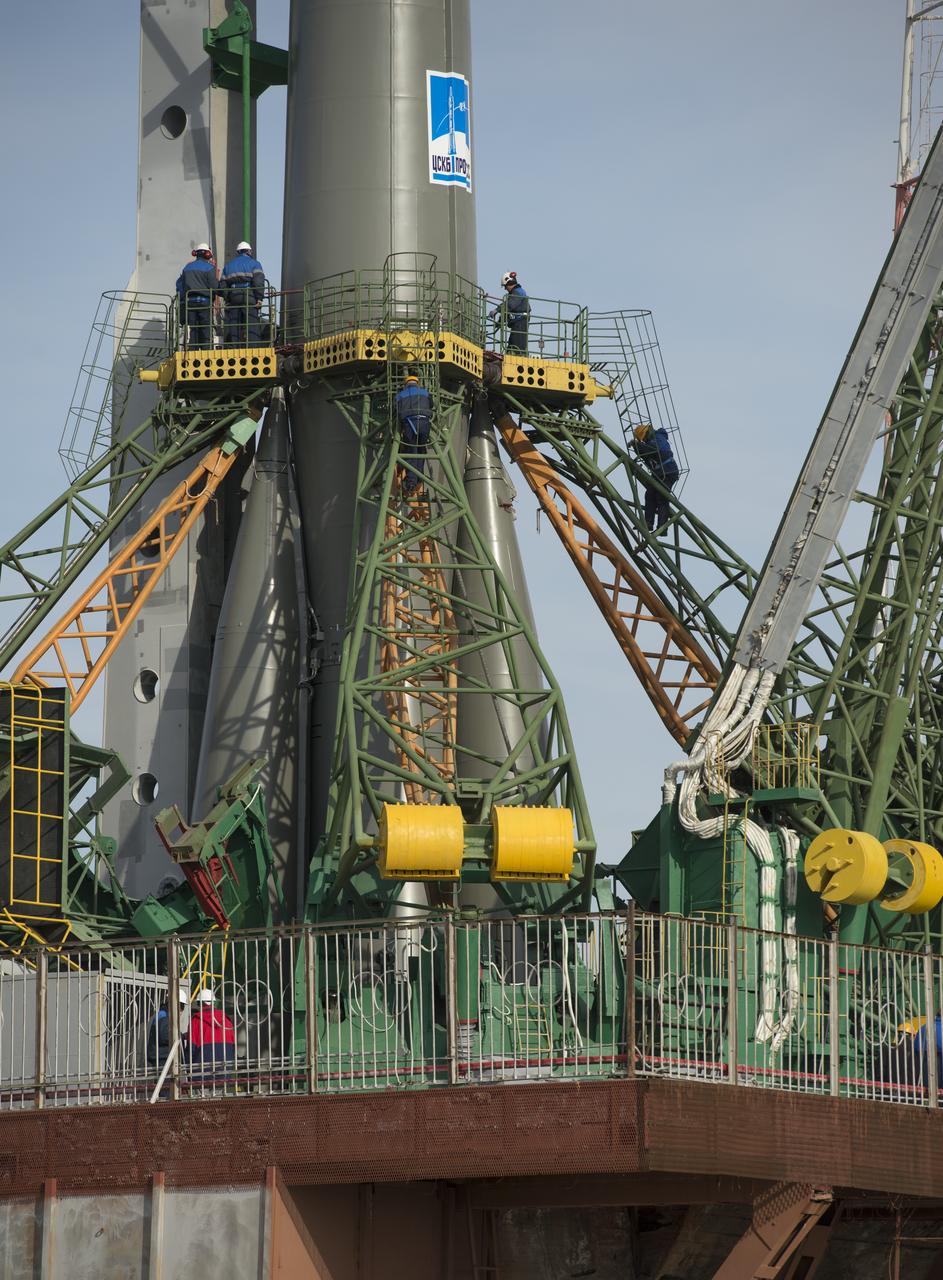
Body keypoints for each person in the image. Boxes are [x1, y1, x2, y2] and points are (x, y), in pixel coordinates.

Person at [633, 422, 680, 533]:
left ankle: (663, 527)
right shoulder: (650, 441)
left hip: (668, 471)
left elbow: (658, 450)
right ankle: (648, 523)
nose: (643, 440)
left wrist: (640, 446)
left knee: (661, 496)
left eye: (644, 438)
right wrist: (637, 447)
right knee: (649, 495)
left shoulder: (659, 437)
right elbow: (646, 455)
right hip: (659, 473)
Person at [220, 240, 266, 347]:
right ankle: (253, 348)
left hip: (234, 296)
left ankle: (234, 348)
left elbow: (223, 285)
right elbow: (258, 282)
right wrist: (259, 298)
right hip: (249, 296)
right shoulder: (254, 263)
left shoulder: (228, 266)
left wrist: (228, 299)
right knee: (251, 323)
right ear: (249, 251)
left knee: (234, 324)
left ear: (238, 252)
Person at [395, 374, 433, 496]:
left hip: (410, 425)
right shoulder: (425, 393)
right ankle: (420, 478)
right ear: (417, 383)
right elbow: (431, 404)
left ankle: (411, 483)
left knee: (411, 452)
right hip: (424, 424)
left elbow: (395, 409)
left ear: (406, 384)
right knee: (421, 451)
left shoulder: (400, 395)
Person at [188, 987, 236, 1083]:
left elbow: (190, 1051)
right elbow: (233, 1047)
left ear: (200, 1003)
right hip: (224, 1073)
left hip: (201, 1075)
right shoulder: (226, 1020)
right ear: (214, 1003)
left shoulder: (196, 1021)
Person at [175, 243, 218, 348]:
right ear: (207, 254)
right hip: (204, 304)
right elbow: (214, 286)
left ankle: (193, 351)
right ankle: (206, 355)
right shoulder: (209, 268)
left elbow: (181, 285)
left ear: (196, 254)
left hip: (190, 304)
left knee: (193, 329)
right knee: (206, 329)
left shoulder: (187, 268)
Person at [146, 990, 189, 1086]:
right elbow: (165, 1035)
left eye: (183, 1007)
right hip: (163, 1060)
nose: (182, 1010)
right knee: (167, 1092)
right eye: (181, 1006)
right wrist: (181, 1036)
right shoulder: (164, 1017)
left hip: (163, 1059)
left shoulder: (163, 1015)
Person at [497, 270, 530, 355]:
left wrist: (497, 310)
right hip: (517, 324)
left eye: (505, 286)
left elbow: (510, 306)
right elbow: (509, 309)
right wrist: (501, 320)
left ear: (509, 283)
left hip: (520, 323)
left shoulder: (518, 292)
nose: (505, 289)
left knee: (518, 348)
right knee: (512, 345)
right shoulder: (516, 293)